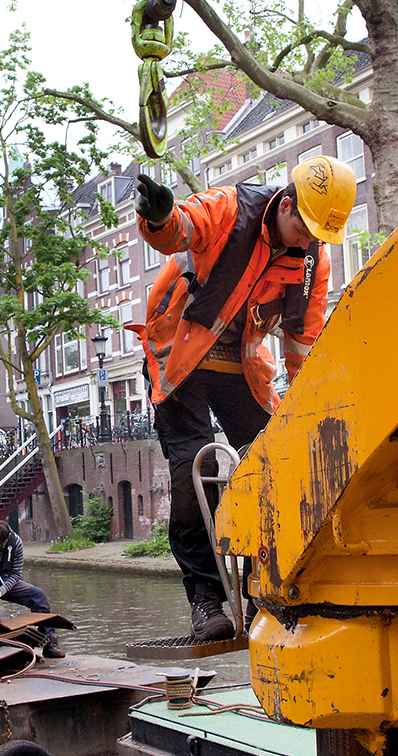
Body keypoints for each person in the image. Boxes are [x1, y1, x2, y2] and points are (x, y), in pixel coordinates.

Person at [129, 156, 356, 641]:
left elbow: (304, 339)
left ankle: (260, 589)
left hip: (240, 362)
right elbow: (183, 228)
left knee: (270, 461)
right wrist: (161, 218)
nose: (306, 241)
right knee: (192, 468)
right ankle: (206, 601)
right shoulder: (231, 208)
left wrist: (309, 407)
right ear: (286, 205)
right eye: (304, 228)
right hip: (181, 353)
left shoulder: (313, 259)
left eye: (317, 235)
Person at [0, 520, 64, 658]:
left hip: (5, 580)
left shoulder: (16, 543)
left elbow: (16, 574)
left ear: (7, 538)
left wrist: (1, 591)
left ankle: (49, 643)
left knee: (38, 596)